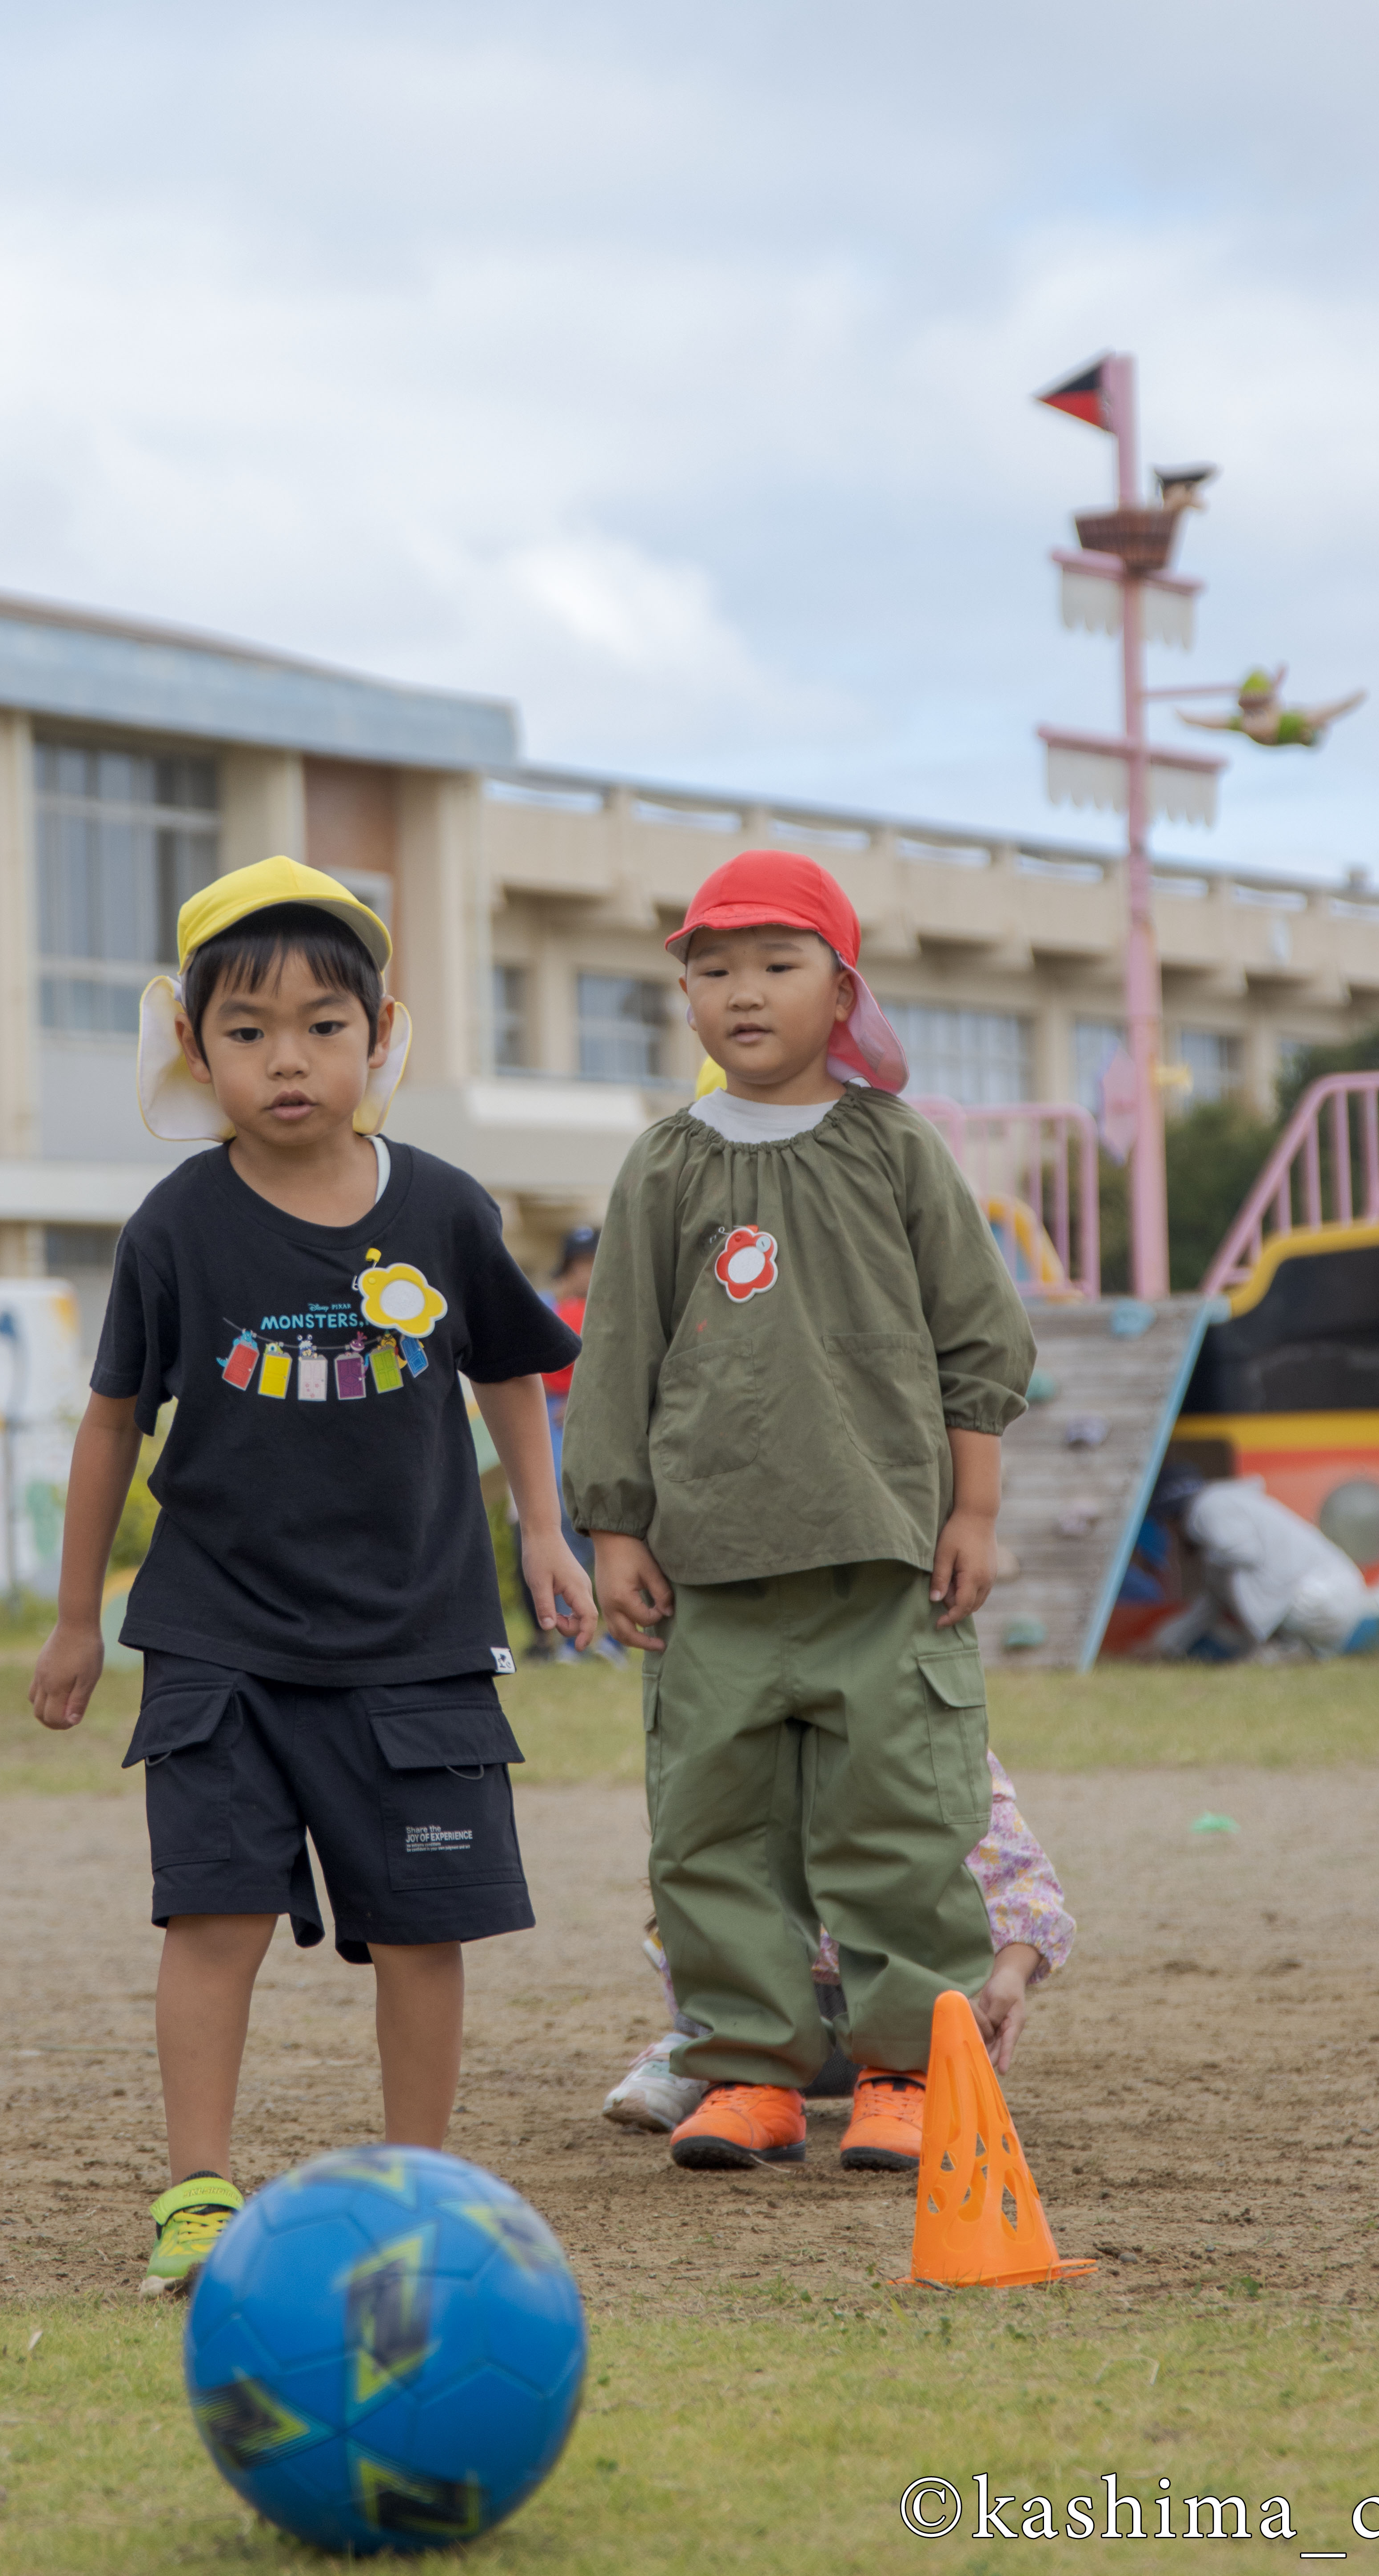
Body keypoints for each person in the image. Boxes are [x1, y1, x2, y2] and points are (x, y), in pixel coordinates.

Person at [28, 858, 597, 2294]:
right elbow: (112, 1421)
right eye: (249, 1031)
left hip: (420, 1643)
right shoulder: (173, 1225)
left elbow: (517, 1369)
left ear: (379, 1033)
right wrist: (74, 1615)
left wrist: (543, 1531)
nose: (289, 1059)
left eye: (323, 1027)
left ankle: (423, 2191)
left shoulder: (450, 1208)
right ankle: (198, 2197)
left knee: (422, 1934)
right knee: (212, 1918)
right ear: (192, 1046)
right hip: (218, 1634)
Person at [562, 849, 1036, 2175]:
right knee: (711, 1832)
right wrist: (615, 1528)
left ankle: (900, 2068)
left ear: (841, 990)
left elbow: (976, 1337)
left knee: (897, 1822)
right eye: (709, 970)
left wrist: (974, 1510)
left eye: (774, 964)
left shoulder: (894, 1148)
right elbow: (616, 1355)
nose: (740, 993)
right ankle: (749, 2070)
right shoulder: (662, 1163)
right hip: (710, 1578)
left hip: (885, 1566)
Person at [602, 1748, 1076, 2133]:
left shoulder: (924, 1745)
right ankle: (697, 2058)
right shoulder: (745, 1736)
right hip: (757, 2009)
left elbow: (1024, 1885)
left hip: (904, 2015)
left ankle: (905, 2081)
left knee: (936, 1972)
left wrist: (1009, 1974)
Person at [518, 1224, 625, 1667]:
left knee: (607, 1525)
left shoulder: (611, 1309)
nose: (590, 1272)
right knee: (558, 1525)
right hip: (548, 1429)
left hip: (600, 1430)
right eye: (583, 1263)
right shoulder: (541, 1305)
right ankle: (568, 1636)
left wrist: (587, 1398)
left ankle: (616, 1637)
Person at [1149, 1470, 1366, 1659]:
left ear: (1173, 1517)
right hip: (1339, 1596)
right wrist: (1163, 1644)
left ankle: (1278, 1648)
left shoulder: (1207, 1507)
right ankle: (1289, 1651)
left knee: (1239, 1651)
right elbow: (1211, 1602)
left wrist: (1258, 1638)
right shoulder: (1231, 1503)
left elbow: (1242, 1556)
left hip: (1317, 1599)